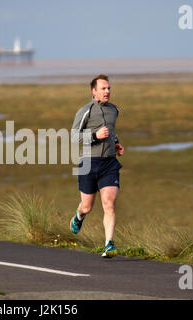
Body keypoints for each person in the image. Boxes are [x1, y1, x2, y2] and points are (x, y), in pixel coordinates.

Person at [70, 74, 124, 258]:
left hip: (109, 163)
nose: (107, 91)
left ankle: (109, 244)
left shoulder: (114, 110)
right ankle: (79, 217)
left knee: (109, 203)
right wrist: (95, 136)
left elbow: (112, 132)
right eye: (103, 88)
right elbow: (73, 137)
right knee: (87, 207)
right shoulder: (85, 111)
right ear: (94, 91)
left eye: (109, 88)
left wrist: (116, 144)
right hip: (88, 163)